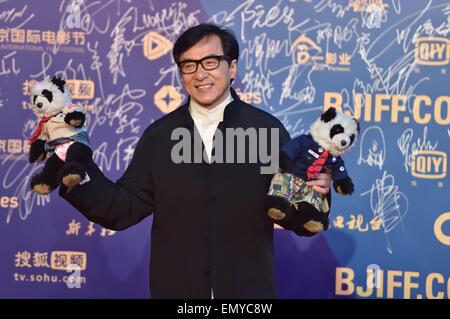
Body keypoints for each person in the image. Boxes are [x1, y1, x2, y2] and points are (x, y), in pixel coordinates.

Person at [59, 23, 331, 299]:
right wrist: (77, 168)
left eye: (210, 62)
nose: (200, 73)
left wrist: (316, 194)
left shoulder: (267, 132)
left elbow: (295, 213)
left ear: (232, 67)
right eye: (188, 65)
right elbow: (122, 208)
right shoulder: (160, 136)